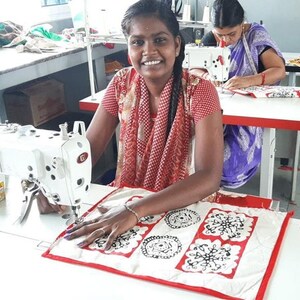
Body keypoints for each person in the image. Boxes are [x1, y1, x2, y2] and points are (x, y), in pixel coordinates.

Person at [64, 0, 224, 250]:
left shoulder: (199, 92)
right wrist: (59, 186)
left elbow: (209, 177)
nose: (148, 51)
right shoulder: (120, 84)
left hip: (182, 205)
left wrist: (134, 209)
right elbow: (89, 150)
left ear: (177, 44)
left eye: (160, 40)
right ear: (128, 47)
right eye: (138, 42)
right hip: (128, 203)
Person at [195, 0, 286, 188]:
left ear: (242, 24)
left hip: (249, 111)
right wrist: (206, 75)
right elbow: (192, 69)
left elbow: (278, 70)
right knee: (197, 150)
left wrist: (248, 80)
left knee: (228, 163)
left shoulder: (255, 35)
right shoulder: (212, 38)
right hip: (221, 106)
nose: (226, 40)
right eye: (220, 34)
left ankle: (215, 185)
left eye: (231, 34)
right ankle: (202, 186)